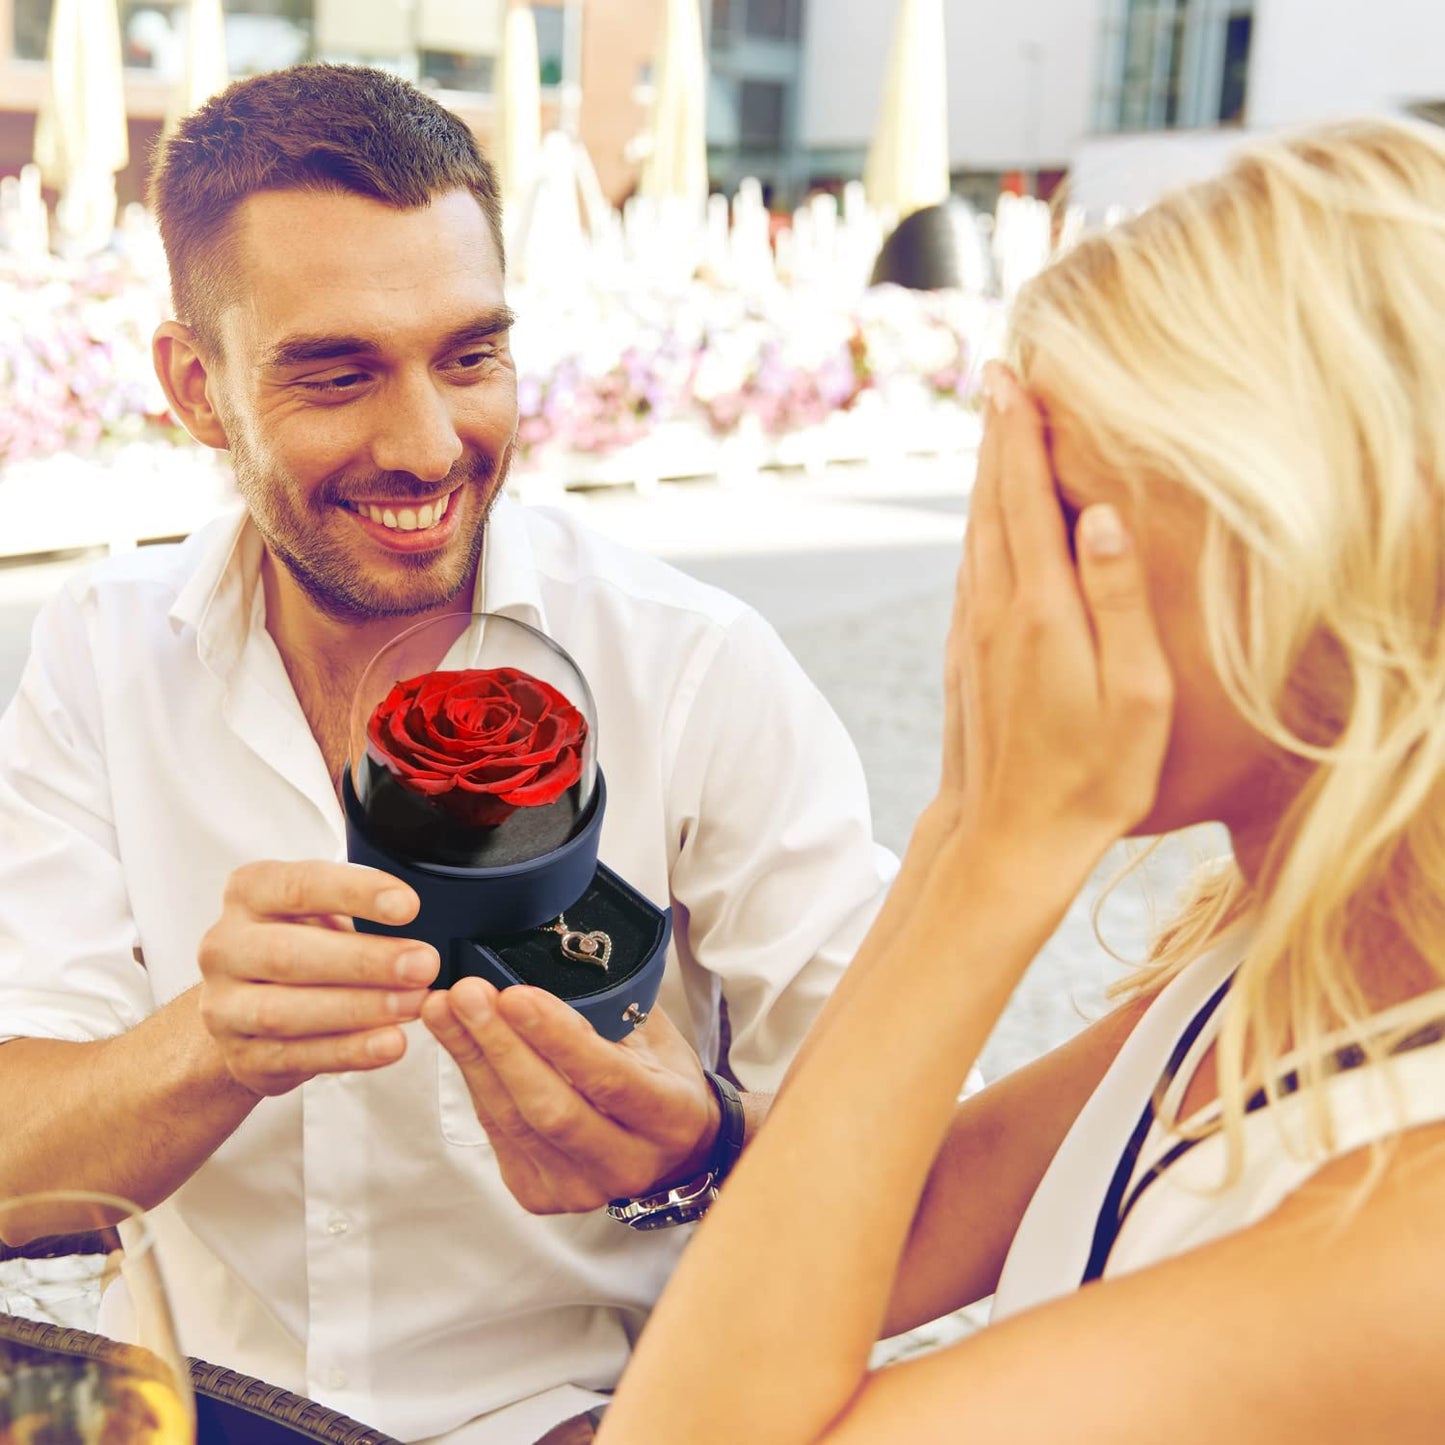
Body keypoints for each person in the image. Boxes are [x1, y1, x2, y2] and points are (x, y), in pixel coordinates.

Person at [498, 117, 1445, 1441]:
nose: (997, 600)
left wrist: (997, 851)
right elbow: (912, 1220)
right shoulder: (1295, 950)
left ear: (1327, 550)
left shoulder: (1409, 1245)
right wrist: (700, 1138)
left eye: (1055, 521)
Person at [0, 66, 897, 1444]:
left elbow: (909, 1175)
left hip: (578, 1417)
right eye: (337, 372)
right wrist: (213, 1045)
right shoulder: (100, 652)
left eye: (469, 356)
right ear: (195, 386)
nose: (427, 444)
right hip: (193, 1402)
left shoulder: (693, 666)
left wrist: (695, 1148)